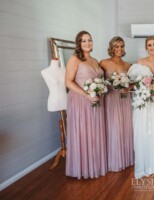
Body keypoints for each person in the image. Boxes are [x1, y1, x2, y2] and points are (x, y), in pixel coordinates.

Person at [65, 31, 107, 179]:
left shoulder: (95, 60)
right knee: (83, 133)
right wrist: (87, 95)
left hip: (95, 100)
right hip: (80, 100)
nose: (87, 43)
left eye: (89, 40)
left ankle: (95, 164)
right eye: (83, 41)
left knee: (94, 132)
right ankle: (83, 167)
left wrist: (99, 91)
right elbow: (68, 82)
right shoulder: (74, 59)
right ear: (78, 43)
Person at [128, 36, 154, 179]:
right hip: (144, 100)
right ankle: (145, 163)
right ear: (146, 47)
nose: (152, 47)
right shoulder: (140, 62)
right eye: (149, 45)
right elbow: (134, 83)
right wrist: (145, 86)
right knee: (144, 130)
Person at [99, 36, 134, 172]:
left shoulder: (128, 65)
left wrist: (128, 87)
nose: (119, 49)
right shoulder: (103, 63)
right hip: (111, 99)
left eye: (122, 46)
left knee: (125, 128)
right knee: (113, 127)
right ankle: (113, 159)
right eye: (116, 46)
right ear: (111, 48)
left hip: (125, 99)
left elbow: (132, 83)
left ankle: (125, 158)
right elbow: (98, 80)